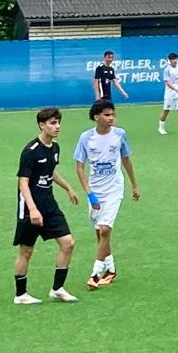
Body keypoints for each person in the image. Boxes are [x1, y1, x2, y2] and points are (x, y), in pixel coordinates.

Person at [14, 106, 81, 304]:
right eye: (52, 123)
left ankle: (58, 289)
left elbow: (50, 171)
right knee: (26, 251)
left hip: (49, 205)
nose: (57, 126)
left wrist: (68, 188)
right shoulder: (30, 151)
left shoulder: (55, 148)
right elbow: (23, 182)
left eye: (58, 122)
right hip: (30, 208)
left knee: (68, 243)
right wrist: (33, 209)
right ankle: (20, 295)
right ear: (42, 125)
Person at [74, 99, 141, 290]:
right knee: (99, 233)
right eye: (107, 115)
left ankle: (95, 274)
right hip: (96, 190)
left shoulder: (120, 135)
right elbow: (79, 167)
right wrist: (90, 194)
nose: (111, 118)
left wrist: (134, 185)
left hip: (114, 189)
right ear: (96, 117)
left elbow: (127, 160)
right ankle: (111, 270)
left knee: (105, 230)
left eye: (113, 114)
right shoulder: (86, 138)